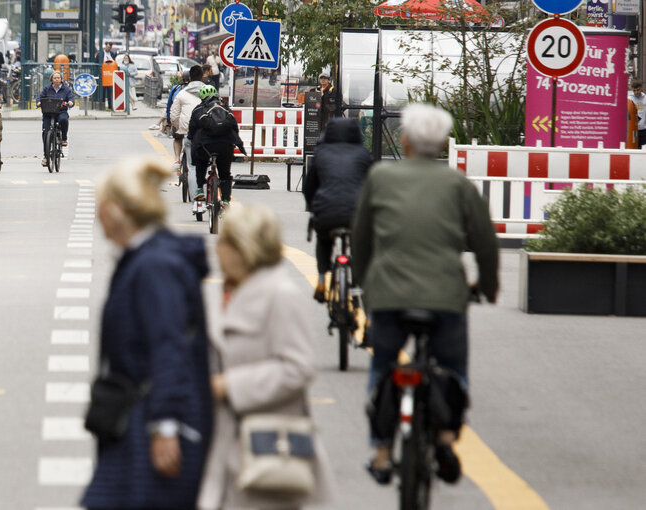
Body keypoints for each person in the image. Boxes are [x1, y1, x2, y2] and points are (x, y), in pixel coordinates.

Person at [352, 103, 499, 485]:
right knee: (452, 367)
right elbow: (484, 242)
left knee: (383, 365)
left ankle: (382, 452)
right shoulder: (458, 184)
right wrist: (486, 287)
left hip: (388, 293)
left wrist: (364, 281)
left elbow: (362, 239)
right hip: (445, 295)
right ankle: (447, 438)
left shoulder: (380, 177)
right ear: (444, 144)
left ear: (404, 140)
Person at [81, 158, 213, 510]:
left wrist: (165, 427)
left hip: (152, 423)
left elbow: (169, 345)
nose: (97, 215)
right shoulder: (153, 258)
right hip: (143, 417)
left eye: (100, 205)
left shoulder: (154, 266)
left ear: (116, 210)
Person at [198, 203, 333, 509]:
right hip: (226, 445)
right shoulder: (230, 291)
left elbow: (298, 367)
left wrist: (230, 385)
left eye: (224, 242)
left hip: (269, 448)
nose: (217, 249)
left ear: (242, 249)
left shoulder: (279, 295)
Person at [303, 117, 373, 302]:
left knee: (324, 240)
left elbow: (309, 187)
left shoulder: (321, 153)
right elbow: (372, 185)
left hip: (327, 211)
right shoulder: (363, 154)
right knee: (361, 245)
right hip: (358, 214)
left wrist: (312, 207)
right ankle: (361, 283)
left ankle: (321, 278)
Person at [187, 84, 246, 204]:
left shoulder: (198, 109)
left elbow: (192, 130)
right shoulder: (225, 108)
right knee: (225, 174)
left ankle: (199, 189)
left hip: (205, 146)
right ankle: (225, 200)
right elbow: (234, 127)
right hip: (225, 145)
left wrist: (191, 139)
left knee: (201, 163)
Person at [37, 70, 74, 167]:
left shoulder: (66, 90)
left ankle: (64, 138)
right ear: (52, 80)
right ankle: (46, 156)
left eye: (58, 78)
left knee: (64, 120)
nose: (57, 79)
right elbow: (40, 97)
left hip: (61, 111)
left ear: (61, 79)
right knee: (46, 133)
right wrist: (38, 102)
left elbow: (71, 98)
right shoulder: (47, 89)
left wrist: (70, 102)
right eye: (55, 78)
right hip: (48, 112)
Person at [169, 65, 205, 167]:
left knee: (191, 165)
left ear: (190, 78)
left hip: (186, 128)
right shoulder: (210, 91)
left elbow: (174, 115)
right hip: (206, 128)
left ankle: (177, 160)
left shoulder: (181, 93)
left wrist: (178, 127)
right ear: (202, 77)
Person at [629, 79, 646, 150]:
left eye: (638, 90)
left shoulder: (645, 98)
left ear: (641, 87)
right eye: (634, 90)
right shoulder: (629, 99)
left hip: (644, 129)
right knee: (635, 150)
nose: (636, 92)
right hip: (633, 130)